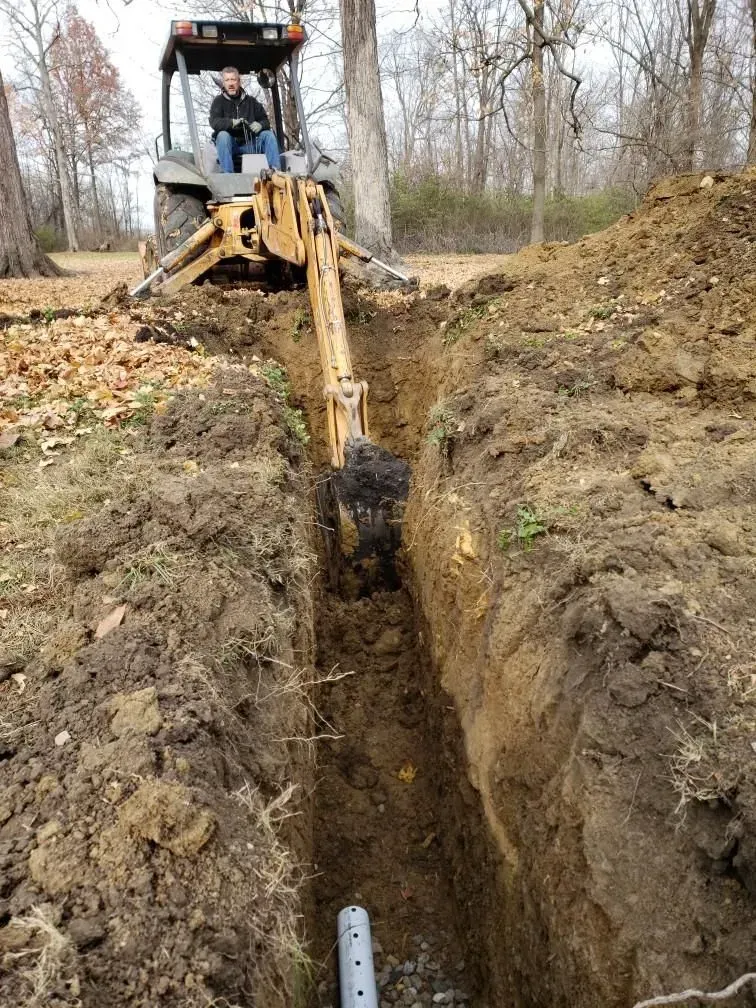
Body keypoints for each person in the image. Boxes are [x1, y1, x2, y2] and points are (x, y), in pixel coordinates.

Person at [209, 66, 281, 171]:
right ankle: (228, 176)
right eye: (227, 80)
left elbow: (266, 121)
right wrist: (232, 122)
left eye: (233, 79)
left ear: (239, 81)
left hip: (250, 144)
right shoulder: (218, 101)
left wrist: (260, 125)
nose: (230, 83)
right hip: (230, 145)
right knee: (223, 135)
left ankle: (276, 173)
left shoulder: (251, 102)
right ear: (223, 83)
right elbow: (214, 122)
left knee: (268, 135)